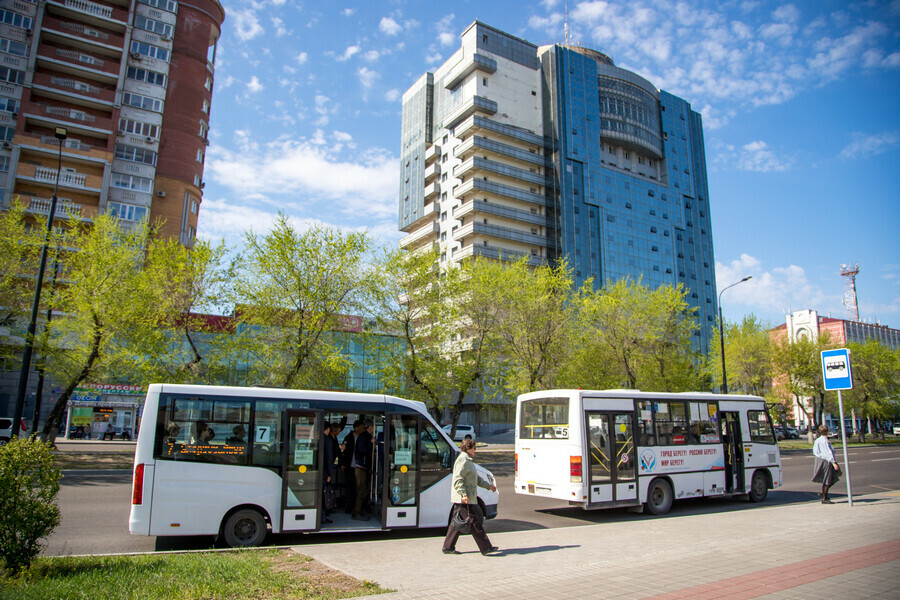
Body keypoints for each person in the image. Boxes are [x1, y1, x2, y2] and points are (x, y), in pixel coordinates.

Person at [442, 438, 499, 555]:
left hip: (467, 498)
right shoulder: (462, 461)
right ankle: (486, 547)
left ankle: (448, 547)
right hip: (464, 499)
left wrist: (489, 486)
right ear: (468, 448)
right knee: (474, 522)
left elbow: (475, 478)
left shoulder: (468, 460)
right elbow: (458, 480)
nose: (475, 450)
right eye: (474, 448)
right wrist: (463, 494)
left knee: (456, 523)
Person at [351, 419, 374, 521]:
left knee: (363, 490)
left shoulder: (364, 437)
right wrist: (371, 443)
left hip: (363, 466)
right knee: (361, 490)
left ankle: (360, 510)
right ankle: (357, 512)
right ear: (370, 427)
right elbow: (363, 450)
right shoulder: (364, 437)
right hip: (361, 466)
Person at [812, 424, 840, 504]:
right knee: (828, 480)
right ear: (828, 431)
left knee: (833, 478)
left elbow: (815, 452)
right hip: (827, 461)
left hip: (822, 460)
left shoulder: (818, 440)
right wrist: (834, 463)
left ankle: (823, 493)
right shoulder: (824, 441)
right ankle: (825, 498)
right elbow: (827, 453)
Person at [341, 420, 361, 513]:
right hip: (350, 466)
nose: (362, 429)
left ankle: (356, 506)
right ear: (356, 428)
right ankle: (348, 506)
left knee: (357, 487)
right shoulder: (349, 438)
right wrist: (343, 464)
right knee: (349, 487)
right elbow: (343, 451)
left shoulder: (362, 437)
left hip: (359, 466)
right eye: (361, 427)